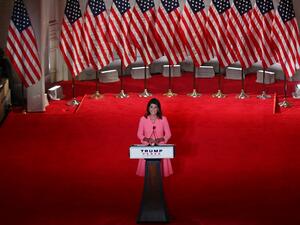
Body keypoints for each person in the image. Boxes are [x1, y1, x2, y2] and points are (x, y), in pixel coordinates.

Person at [136, 98, 173, 177]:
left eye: (155, 107)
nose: (153, 109)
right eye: (151, 107)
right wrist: (147, 139)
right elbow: (139, 134)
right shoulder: (143, 119)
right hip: (147, 147)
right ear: (148, 108)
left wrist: (159, 140)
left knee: (159, 172)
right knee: (148, 174)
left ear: (158, 109)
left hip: (160, 146)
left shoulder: (163, 119)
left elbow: (168, 134)